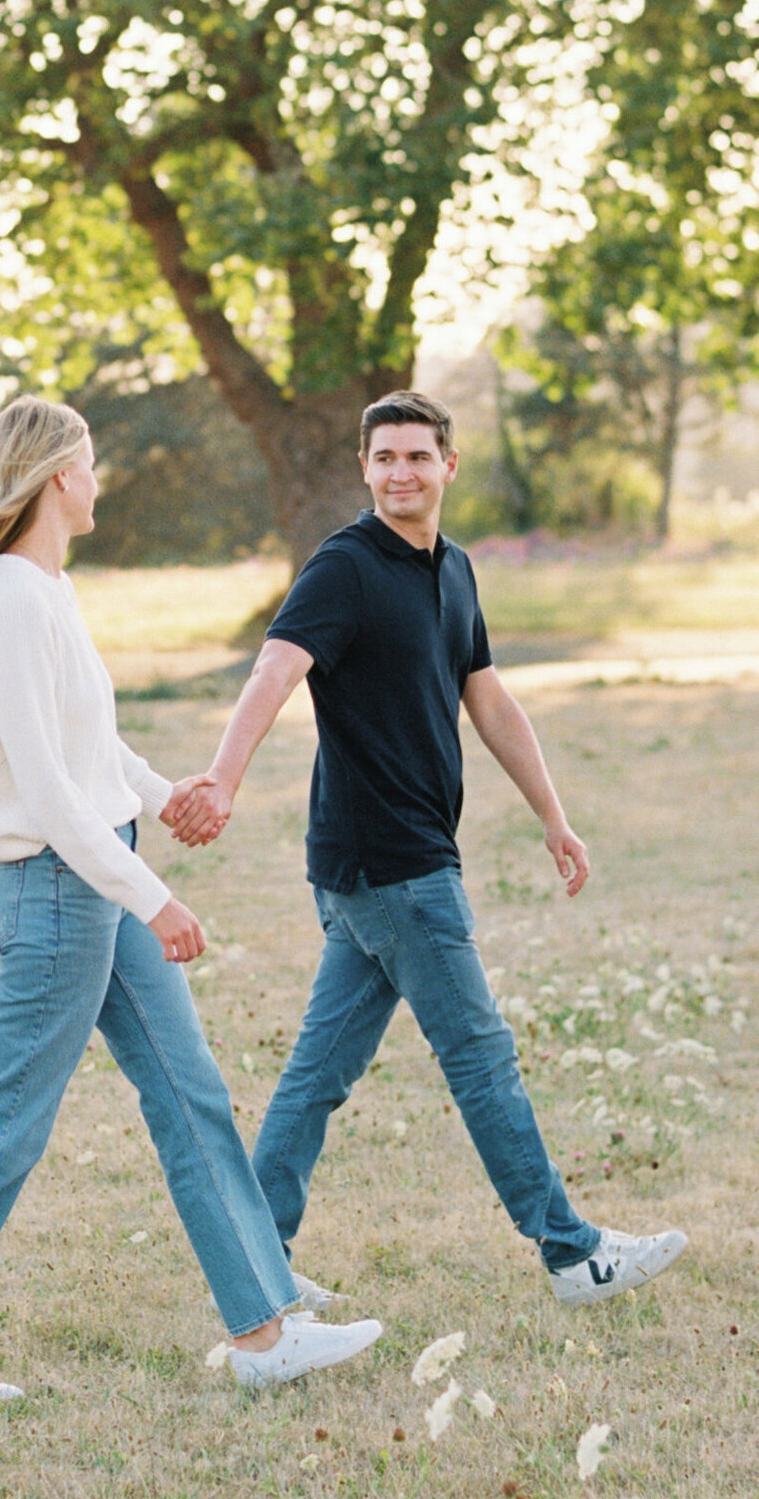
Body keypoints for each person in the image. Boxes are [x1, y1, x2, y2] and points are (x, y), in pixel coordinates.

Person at [0, 396, 385, 1402]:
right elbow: (48, 789)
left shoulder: (48, 591)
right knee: (6, 1122)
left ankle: (264, 1330)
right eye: (92, 464)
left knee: (189, 1093)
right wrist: (153, 898)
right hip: (64, 893)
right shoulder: (14, 598)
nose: (101, 481)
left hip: (93, 875)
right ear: (58, 475)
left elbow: (87, 748)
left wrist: (165, 794)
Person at [163, 390, 687, 1310]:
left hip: (390, 863)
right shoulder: (345, 567)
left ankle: (253, 1260)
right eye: (384, 458)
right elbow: (276, 667)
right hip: (391, 863)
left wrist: (554, 819)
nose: (400, 473)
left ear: (449, 465)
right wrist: (223, 777)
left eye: (417, 456)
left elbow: (488, 700)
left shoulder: (454, 571)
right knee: (481, 1056)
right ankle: (572, 1253)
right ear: (364, 470)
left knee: (318, 1074)